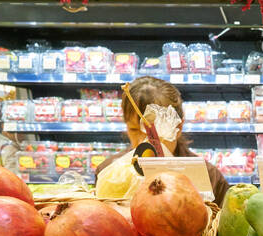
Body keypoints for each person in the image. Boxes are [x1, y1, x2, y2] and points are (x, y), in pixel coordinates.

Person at [94, 76, 228, 203]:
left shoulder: (209, 178)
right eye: (134, 130)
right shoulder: (108, 174)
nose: (143, 141)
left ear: (178, 126)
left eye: (153, 133)